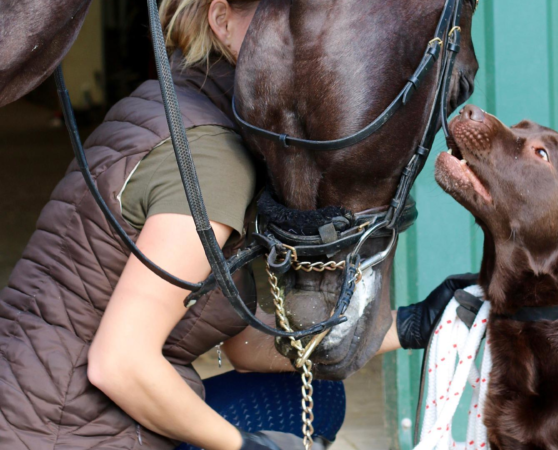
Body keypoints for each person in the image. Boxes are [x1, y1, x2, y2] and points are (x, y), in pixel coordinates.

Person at [0, 1, 475, 449]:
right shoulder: (208, 158)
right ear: (221, 21)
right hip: (68, 434)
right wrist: (244, 446)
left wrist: (413, 325)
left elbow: (245, 346)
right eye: (278, 17)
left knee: (313, 396)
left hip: (35, 406)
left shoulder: (169, 107)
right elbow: (120, 363)